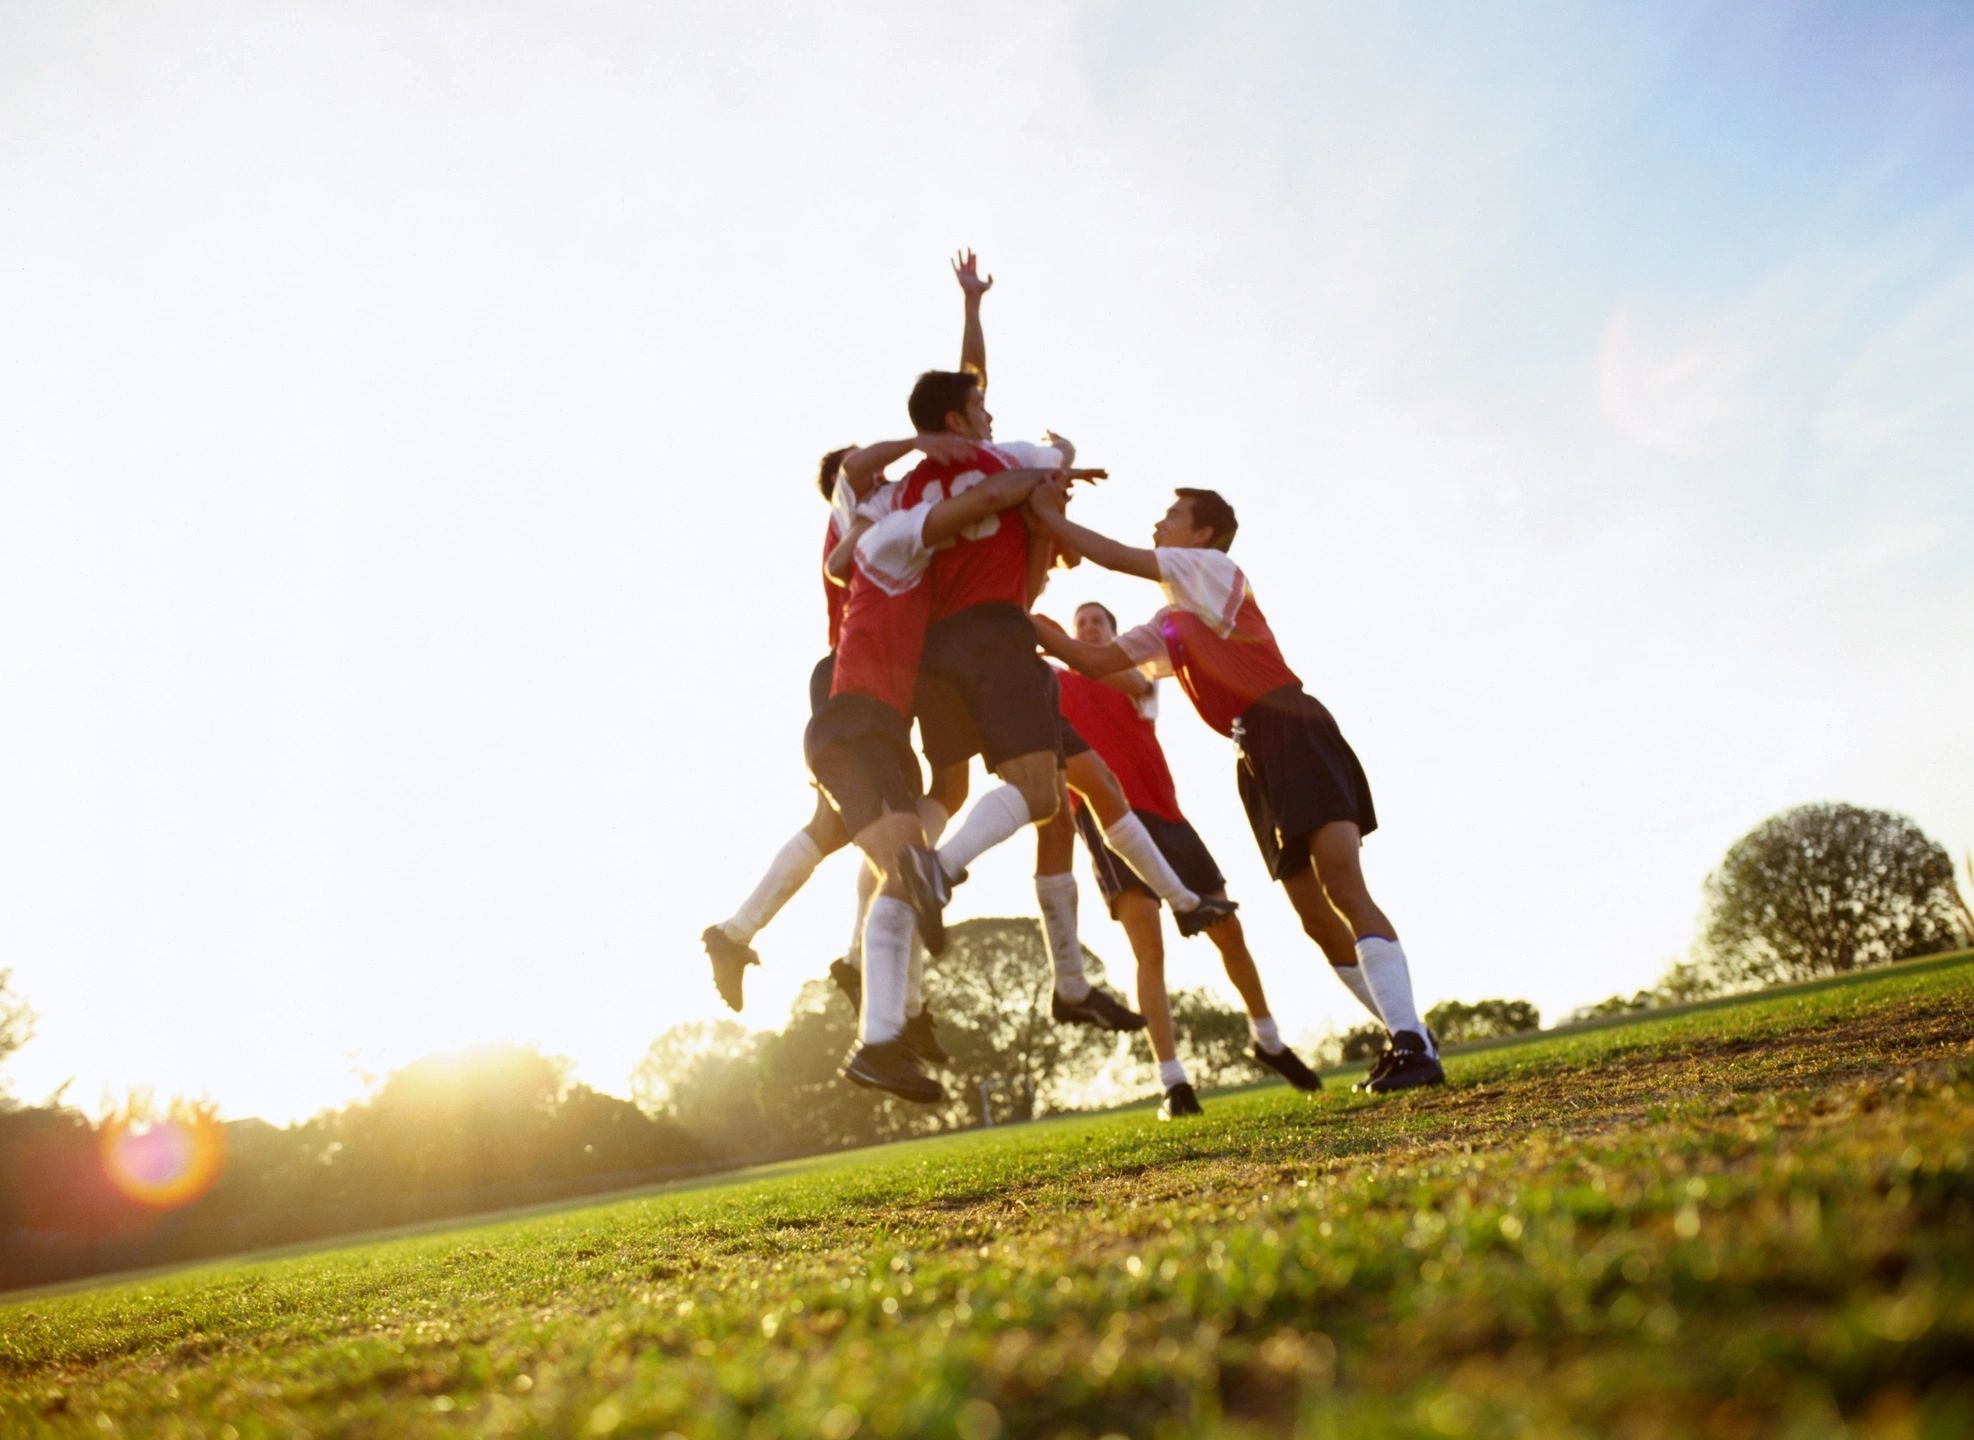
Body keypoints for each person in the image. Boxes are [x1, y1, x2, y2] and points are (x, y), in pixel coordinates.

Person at [1026, 485, 1445, 1093]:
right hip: (1252, 751)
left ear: (1201, 535)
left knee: (1341, 882)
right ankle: (1409, 1036)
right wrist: (1026, 624)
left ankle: (1411, 1043)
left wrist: (1040, 511)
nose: (1158, 522)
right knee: (1313, 916)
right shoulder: (1171, 620)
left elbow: (1115, 555)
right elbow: (1095, 662)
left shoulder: (1210, 567)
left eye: (1171, 515)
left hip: (1290, 725)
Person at [882, 373, 1235, 1009]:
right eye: (979, 408)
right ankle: (937, 869)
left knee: (1092, 785)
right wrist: (1062, 462)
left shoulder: (906, 488)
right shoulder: (1007, 460)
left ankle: (1176, 907)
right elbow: (1048, 513)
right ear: (957, 422)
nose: (989, 414)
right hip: (996, 635)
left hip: (937, 651)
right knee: (1042, 798)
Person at [700, 252, 990, 1012]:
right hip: (856, 678)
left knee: (839, 823)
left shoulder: (898, 507)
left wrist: (971, 310)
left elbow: (967, 405)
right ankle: (883, 978)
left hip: (888, 675)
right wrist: (918, 447)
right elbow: (896, 451)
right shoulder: (856, 513)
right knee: (912, 815)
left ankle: (740, 933)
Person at [814, 460, 1064, 1101]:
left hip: (875, 728)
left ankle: (879, 1046)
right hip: (849, 726)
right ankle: (877, 1018)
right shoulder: (887, 535)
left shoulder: (908, 559)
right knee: (903, 868)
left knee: (898, 878)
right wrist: (1032, 467)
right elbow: (969, 498)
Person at [1048, 601, 1324, 1118]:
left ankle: (1267, 1039)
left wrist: (1084, 650)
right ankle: (1173, 1082)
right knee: (1149, 950)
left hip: (1170, 819)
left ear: (1113, 633)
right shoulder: (1057, 684)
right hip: (1109, 821)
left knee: (1228, 929)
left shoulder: (1134, 682)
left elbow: (1131, 678)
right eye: (1080, 623)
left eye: (1099, 623)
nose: (1088, 628)